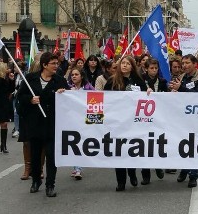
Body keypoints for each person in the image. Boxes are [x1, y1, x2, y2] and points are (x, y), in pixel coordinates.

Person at [17, 52, 69, 197]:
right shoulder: (30, 79)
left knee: (51, 156)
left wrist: (62, 94)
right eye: (53, 63)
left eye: (57, 63)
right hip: (34, 124)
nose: (56, 66)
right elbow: (20, 96)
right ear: (44, 65)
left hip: (52, 124)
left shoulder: (59, 80)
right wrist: (30, 100)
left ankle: (50, 184)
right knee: (35, 155)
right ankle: (35, 180)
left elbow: (69, 99)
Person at [104, 55, 151, 192]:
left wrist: (148, 91)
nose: (124, 65)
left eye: (127, 63)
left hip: (133, 122)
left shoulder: (138, 81)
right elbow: (104, 97)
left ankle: (132, 172)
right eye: (122, 63)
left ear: (132, 66)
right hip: (117, 122)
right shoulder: (112, 81)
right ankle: (121, 181)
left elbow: (145, 95)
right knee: (119, 151)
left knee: (130, 149)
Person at [168, 54, 198, 186]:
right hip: (181, 118)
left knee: (193, 146)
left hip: (195, 119)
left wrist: (180, 89)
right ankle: (184, 168)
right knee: (182, 144)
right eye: (183, 63)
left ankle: (193, 175)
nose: (185, 65)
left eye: (187, 63)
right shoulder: (181, 78)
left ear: (194, 64)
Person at [140, 58, 166, 184]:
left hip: (158, 118)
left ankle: (158, 166)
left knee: (157, 144)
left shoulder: (162, 81)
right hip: (144, 118)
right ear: (146, 68)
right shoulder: (140, 80)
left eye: (156, 68)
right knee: (144, 146)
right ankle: (145, 174)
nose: (154, 70)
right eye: (151, 68)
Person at [68, 67, 94, 180]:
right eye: (72, 74)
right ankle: (77, 168)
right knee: (74, 144)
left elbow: (96, 99)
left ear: (81, 76)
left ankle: (78, 168)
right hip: (72, 121)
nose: (74, 76)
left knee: (81, 143)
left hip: (84, 121)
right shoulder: (68, 88)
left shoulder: (89, 88)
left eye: (76, 74)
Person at [0, 62, 14, 153]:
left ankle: (3, 145)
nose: (8, 69)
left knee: (4, 124)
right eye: (6, 68)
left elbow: (11, 90)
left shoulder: (6, 79)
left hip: (3, 104)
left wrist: (11, 80)